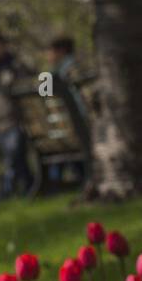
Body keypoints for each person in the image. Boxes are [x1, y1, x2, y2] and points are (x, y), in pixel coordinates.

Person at [0, 33, 33, 198]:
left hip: (15, 121)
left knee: (12, 158)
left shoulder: (15, 66)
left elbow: (30, 87)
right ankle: (30, 187)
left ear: (4, 46)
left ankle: (6, 192)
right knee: (18, 161)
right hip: (0, 124)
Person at [46, 36, 93, 186]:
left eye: (50, 51)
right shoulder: (77, 68)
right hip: (81, 124)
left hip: (73, 127)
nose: (48, 55)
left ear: (60, 51)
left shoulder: (60, 74)